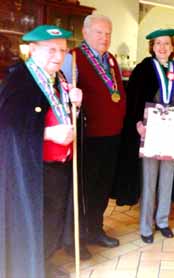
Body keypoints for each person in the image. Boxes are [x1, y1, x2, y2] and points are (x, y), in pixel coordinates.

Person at [0, 25, 83, 278]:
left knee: (52, 219)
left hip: (59, 165)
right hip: (32, 168)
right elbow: (8, 128)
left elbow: (60, 116)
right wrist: (47, 134)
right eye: (51, 50)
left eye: (62, 50)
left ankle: (44, 263)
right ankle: (30, 269)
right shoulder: (19, 80)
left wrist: (76, 107)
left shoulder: (59, 78)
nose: (58, 56)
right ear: (32, 50)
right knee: (32, 221)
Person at [116, 28, 174, 244]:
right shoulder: (143, 69)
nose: (163, 47)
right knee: (149, 179)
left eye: (167, 43)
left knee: (167, 177)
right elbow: (134, 100)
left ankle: (163, 221)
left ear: (173, 47)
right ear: (152, 47)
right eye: (158, 44)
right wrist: (137, 122)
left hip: (173, 131)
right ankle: (146, 226)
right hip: (150, 130)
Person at [62, 14, 125, 248]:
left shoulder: (110, 60)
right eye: (99, 32)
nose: (104, 37)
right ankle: (77, 238)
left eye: (108, 33)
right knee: (83, 190)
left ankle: (96, 229)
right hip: (88, 138)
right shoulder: (74, 58)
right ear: (86, 33)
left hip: (111, 135)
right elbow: (66, 98)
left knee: (102, 188)